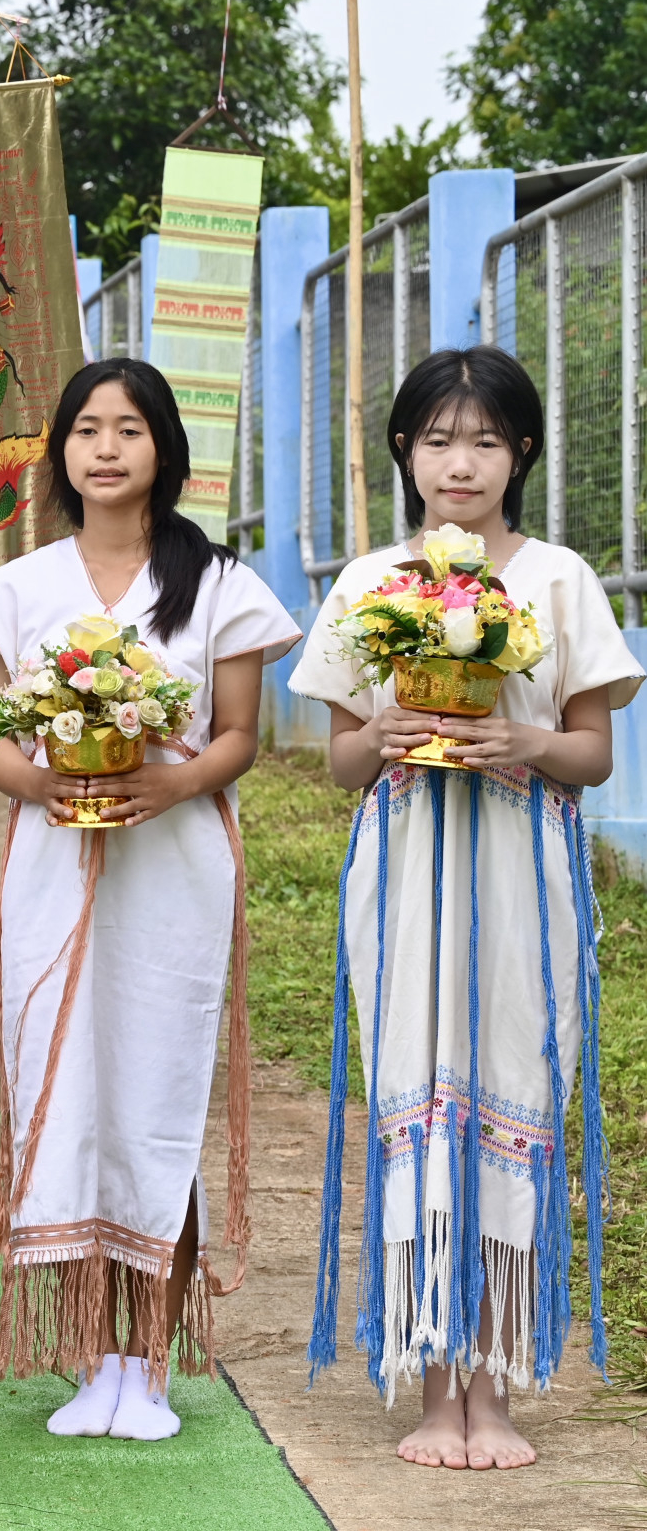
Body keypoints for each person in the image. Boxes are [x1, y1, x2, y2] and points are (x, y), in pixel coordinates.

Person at [293, 346, 629, 1470]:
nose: (459, 462)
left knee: (516, 1091)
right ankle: (431, 1388)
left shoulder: (558, 579)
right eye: (436, 439)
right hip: (405, 873)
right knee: (415, 1094)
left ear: (519, 453)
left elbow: (592, 754)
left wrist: (528, 742)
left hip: (520, 875)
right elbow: (339, 759)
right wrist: (379, 736)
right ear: (405, 452)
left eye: (485, 440)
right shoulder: (367, 581)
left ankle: (496, 1388)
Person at [0, 357, 298, 1442]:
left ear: (164, 451)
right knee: (72, 1092)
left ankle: (148, 1363)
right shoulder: (12, 590)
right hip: (52, 864)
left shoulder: (221, 584)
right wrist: (53, 786)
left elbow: (240, 733)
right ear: (56, 451)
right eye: (86, 429)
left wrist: (169, 780)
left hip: (173, 866)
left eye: (130, 429)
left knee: (154, 1094)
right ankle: (87, 1356)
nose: (105, 448)